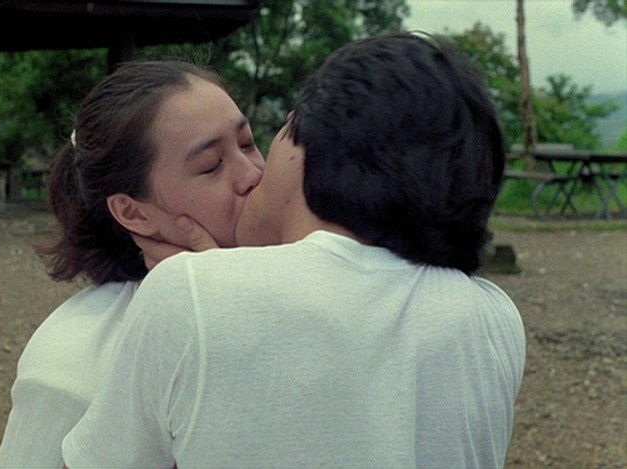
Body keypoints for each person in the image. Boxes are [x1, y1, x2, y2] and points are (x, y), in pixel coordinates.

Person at [62, 32, 526, 467]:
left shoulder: (190, 293)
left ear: (312, 151)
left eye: (258, 140)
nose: (252, 172)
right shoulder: (495, 317)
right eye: (211, 165)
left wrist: (218, 296)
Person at [0, 60, 263, 467]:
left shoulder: (305, 280)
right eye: (211, 165)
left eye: (248, 144)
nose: (253, 174)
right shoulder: (74, 365)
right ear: (133, 212)